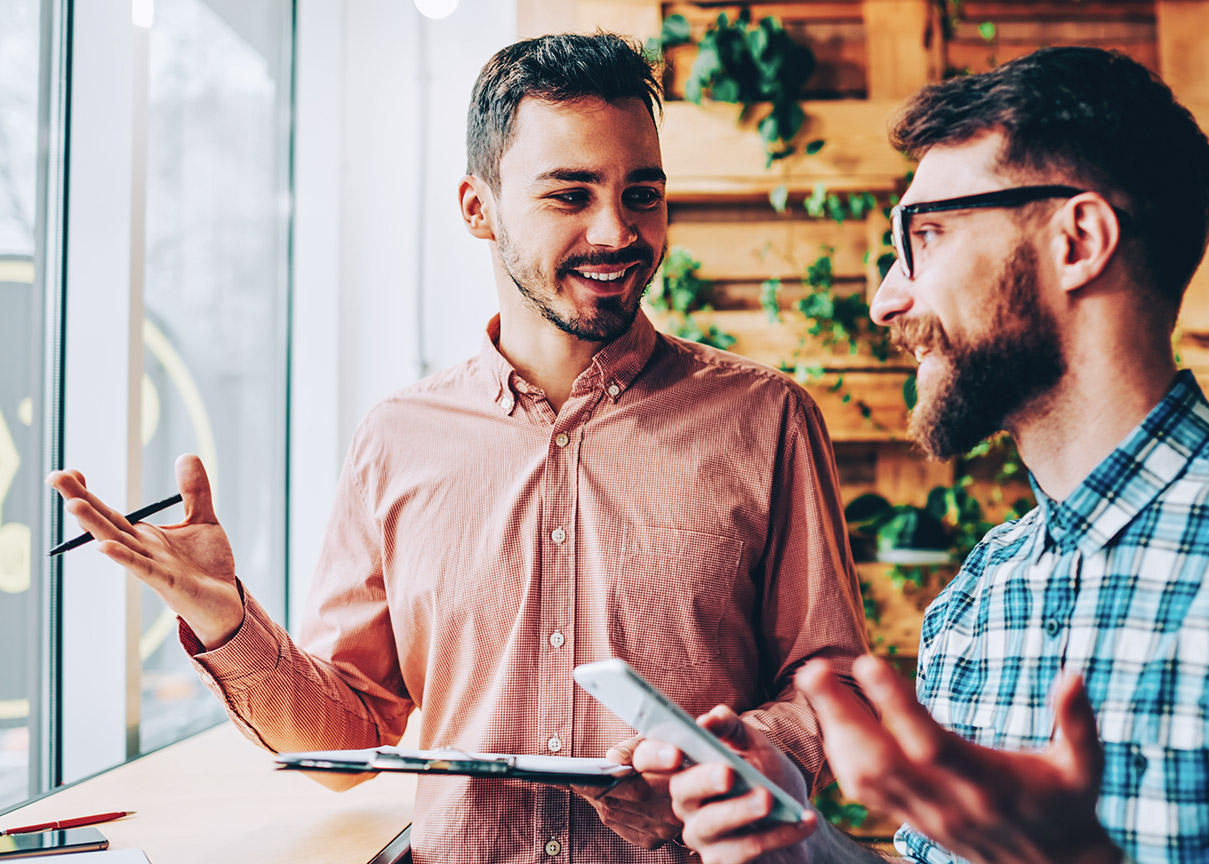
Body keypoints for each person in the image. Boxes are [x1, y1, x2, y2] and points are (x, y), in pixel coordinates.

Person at [635, 46, 1209, 864]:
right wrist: (796, 843)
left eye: (923, 237)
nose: (889, 298)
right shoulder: (982, 593)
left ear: (1077, 241)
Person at [48, 34, 868, 864]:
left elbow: (829, 684)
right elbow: (350, 732)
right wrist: (223, 617)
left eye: (642, 194)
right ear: (478, 208)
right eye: (569, 195)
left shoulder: (768, 419)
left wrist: (727, 764)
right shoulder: (396, 439)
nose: (618, 230)